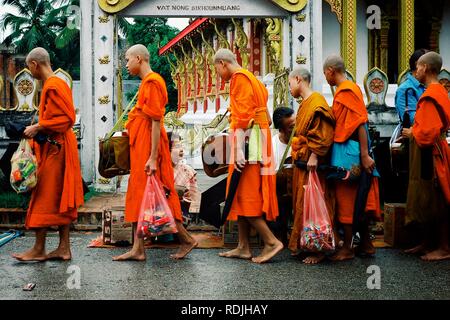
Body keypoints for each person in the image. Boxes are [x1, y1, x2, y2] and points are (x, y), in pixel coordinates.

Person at [113, 44, 197, 261]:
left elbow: (156, 121)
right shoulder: (146, 83)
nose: (126, 63)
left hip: (149, 148)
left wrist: (152, 157)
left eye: (128, 59)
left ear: (139, 58)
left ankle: (186, 239)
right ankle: (138, 248)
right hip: (142, 145)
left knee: (160, 195)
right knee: (140, 193)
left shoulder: (152, 82)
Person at [12, 47, 84, 261]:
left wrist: (39, 127)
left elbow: (67, 119)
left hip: (57, 147)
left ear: (34, 64)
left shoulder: (53, 85)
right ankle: (63, 248)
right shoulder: (55, 84)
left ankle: (39, 248)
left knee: (42, 194)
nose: (29, 72)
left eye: (28, 67)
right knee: (59, 196)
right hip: (57, 146)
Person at [213, 48, 283, 264]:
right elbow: (267, 118)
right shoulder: (254, 79)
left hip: (248, 141)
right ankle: (243, 246)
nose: (218, 75)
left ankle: (272, 242)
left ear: (223, 63)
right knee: (240, 193)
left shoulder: (239, 79)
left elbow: (242, 117)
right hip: (256, 137)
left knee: (247, 193)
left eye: (216, 70)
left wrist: (239, 149)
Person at [323, 55, 381, 261]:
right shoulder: (348, 90)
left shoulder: (346, 90)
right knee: (360, 198)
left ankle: (347, 248)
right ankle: (366, 244)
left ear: (331, 71)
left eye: (325, 74)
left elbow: (360, 123)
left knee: (348, 199)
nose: (326, 78)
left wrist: (364, 155)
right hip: (350, 149)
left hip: (351, 152)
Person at [402, 51, 450, 261]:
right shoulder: (435, 91)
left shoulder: (432, 94)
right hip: (428, 152)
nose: (416, 71)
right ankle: (428, 242)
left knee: (437, 198)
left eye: (419, 67)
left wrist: (413, 132)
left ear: (427, 69)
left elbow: (428, 133)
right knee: (426, 198)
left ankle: (444, 247)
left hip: (432, 153)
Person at [288, 67, 335, 264]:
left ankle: (319, 249)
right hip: (303, 161)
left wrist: (314, 155)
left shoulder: (317, 102)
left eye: (290, 83)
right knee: (302, 204)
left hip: (312, 162)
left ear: (298, 79)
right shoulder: (304, 104)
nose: (290, 88)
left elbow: (323, 132)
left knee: (315, 203)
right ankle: (305, 243)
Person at [270, 107, 295, 245]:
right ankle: (279, 233)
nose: (296, 128)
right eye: (291, 127)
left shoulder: (300, 140)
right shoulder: (272, 145)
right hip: (281, 191)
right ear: (281, 128)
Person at [168, 132, 201, 226]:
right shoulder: (158, 170)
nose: (181, 149)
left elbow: (194, 196)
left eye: (181, 146)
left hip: (182, 214)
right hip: (160, 216)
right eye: (177, 146)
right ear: (166, 149)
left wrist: (186, 197)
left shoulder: (188, 171)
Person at [394, 49, 428, 125]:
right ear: (417, 65)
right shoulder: (405, 89)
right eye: (430, 65)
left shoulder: (430, 86)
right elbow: (412, 120)